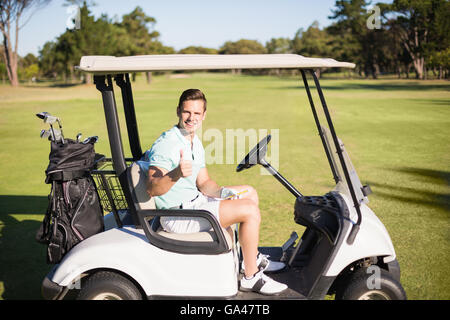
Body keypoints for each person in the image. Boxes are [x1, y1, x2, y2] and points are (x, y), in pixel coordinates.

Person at [143, 88, 287, 295]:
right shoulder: (167, 144)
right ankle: (251, 277)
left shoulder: (193, 140)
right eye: (187, 112)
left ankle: (251, 257)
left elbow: (205, 183)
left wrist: (223, 193)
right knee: (249, 210)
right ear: (178, 111)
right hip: (178, 216)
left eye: (197, 113)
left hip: (194, 203)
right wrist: (175, 173)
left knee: (250, 193)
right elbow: (152, 188)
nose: (191, 118)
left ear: (204, 115)